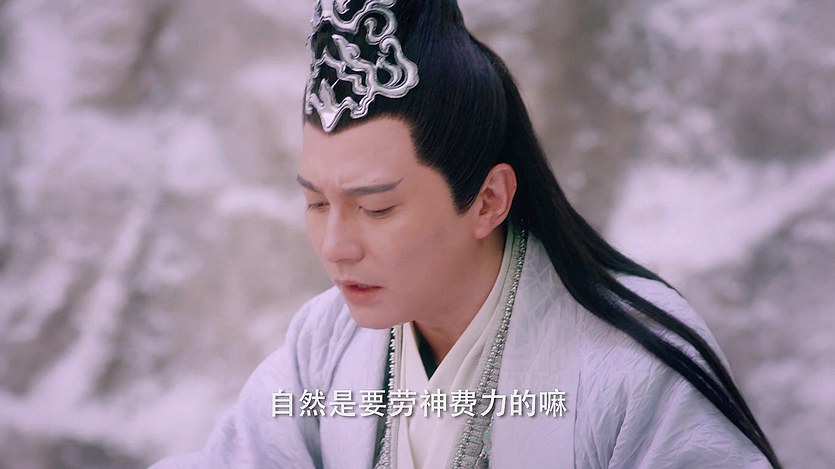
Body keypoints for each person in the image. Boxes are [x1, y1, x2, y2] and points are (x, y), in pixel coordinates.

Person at [152, 0, 780, 467]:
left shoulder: (633, 365)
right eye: (316, 203)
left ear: (488, 200)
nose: (336, 246)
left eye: (377, 209)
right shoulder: (325, 342)